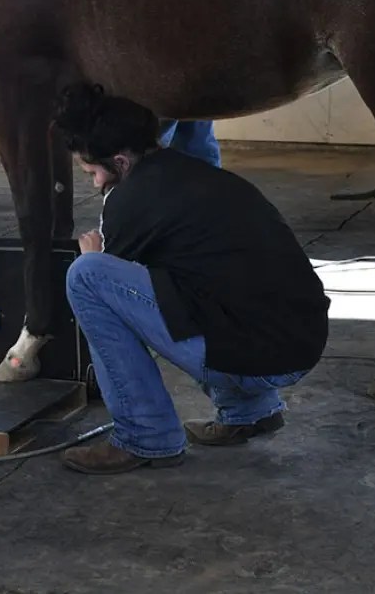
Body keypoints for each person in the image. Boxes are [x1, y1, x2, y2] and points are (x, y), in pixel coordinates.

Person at [54, 84, 331, 475]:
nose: (96, 183)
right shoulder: (191, 173)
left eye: (93, 172)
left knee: (87, 278)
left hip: (263, 358)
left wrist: (96, 257)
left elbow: (123, 311)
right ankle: (249, 412)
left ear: (120, 161)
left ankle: (144, 436)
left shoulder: (130, 202)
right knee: (202, 284)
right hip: (301, 341)